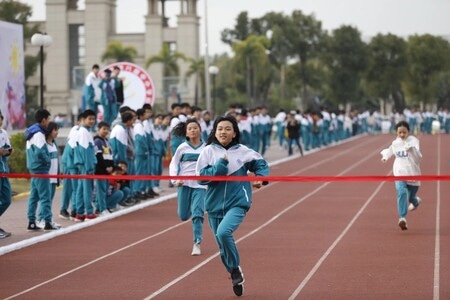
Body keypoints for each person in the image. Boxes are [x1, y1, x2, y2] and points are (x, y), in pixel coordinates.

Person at [195, 115, 270, 297]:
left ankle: (235, 271)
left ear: (234, 132)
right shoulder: (208, 152)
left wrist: (260, 177)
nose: (223, 132)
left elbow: (260, 164)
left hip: (238, 203)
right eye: (220, 128)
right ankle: (234, 270)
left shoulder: (243, 151)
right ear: (215, 131)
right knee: (222, 246)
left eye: (228, 129)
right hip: (213, 205)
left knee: (223, 232)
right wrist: (220, 166)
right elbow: (201, 177)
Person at [169, 119, 206, 256]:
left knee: (197, 214)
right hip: (184, 184)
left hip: (200, 185)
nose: (193, 131)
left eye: (195, 128)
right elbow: (174, 164)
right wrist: (175, 179)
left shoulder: (206, 148)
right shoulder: (182, 148)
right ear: (186, 132)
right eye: (190, 129)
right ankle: (193, 211)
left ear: (200, 130)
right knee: (183, 215)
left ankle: (197, 242)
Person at [381, 120, 422, 230]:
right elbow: (390, 150)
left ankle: (416, 201)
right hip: (399, 173)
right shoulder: (396, 143)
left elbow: (418, 158)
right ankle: (402, 218)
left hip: (413, 173)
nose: (402, 135)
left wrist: (411, 150)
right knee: (402, 191)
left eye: (404, 132)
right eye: (400, 133)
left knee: (411, 197)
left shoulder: (414, 141)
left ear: (408, 131)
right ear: (397, 133)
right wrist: (385, 157)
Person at [25, 109, 57, 231]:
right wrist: (48, 160)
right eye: (48, 119)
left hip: (34, 168)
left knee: (34, 196)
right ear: (43, 120)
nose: (49, 121)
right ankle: (47, 222)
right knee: (45, 196)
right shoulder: (38, 134)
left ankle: (32, 221)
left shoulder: (32, 132)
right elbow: (40, 152)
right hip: (40, 168)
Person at [74, 109, 98, 221]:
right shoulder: (84, 132)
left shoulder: (86, 131)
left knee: (80, 188)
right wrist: (89, 167)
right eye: (90, 119)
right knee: (87, 189)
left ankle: (79, 213)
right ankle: (88, 212)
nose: (92, 121)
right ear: (83, 119)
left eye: (93, 119)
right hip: (86, 165)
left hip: (84, 165)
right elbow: (85, 151)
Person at [38, 122, 62, 229]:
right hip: (47, 177)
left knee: (50, 199)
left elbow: (57, 161)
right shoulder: (44, 144)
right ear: (49, 131)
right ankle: (40, 219)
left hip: (54, 177)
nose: (57, 133)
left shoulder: (54, 144)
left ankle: (48, 219)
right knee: (45, 199)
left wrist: (58, 174)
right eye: (55, 130)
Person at [94, 121, 115, 216]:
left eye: (107, 129)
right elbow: (98, 156)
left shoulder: (107, 141)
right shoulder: (97, 141)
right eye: (104, 129)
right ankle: (102, 208)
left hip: (108, 170)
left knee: (105, 189)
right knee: (101, 190)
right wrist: (105, 167)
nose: (106, 131)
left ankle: (100, 207)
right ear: (98, 129)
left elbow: (110, 155)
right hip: (101, 170)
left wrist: (111, 166)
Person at [0, 113, 13, 238]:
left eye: (1, 119)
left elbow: (7, 149)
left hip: (4, 171)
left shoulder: (3, 133)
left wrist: (8, 151)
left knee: (7, 199)